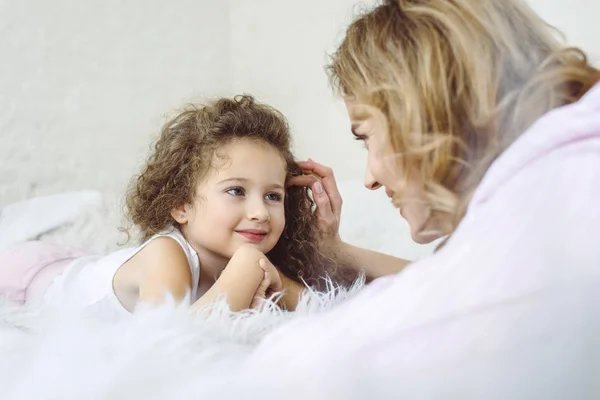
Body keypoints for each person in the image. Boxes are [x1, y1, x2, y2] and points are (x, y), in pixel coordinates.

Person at [235, 0, 600, 395]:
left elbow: (289, 373)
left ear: (424, 108)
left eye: (366, 136)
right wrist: (335, 254)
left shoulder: (544, 237)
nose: (370, 178)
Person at [0, 95, 353, 319]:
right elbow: (172, 344)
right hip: (30, 275)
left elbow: (327, 310)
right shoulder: (167, 256)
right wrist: (247, 266)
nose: (260, 211)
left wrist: (318, 256)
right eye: (235, 191)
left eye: (273, 196)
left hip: (85, 263)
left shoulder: (252, 254)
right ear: (180, 206)